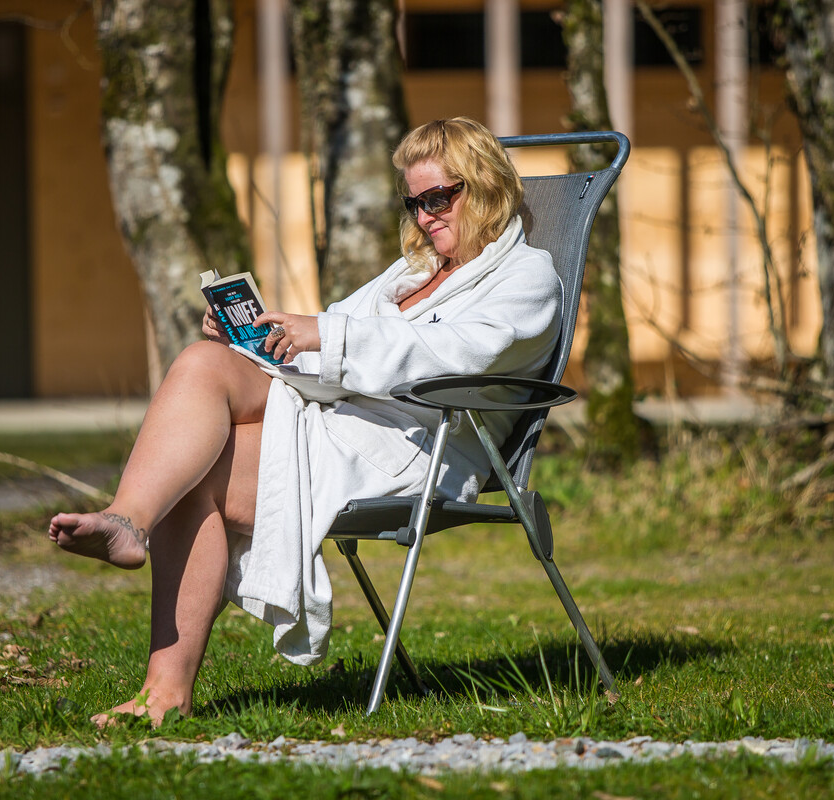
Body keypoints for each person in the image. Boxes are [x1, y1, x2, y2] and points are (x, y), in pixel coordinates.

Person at [47, 117, 563, 726]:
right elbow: (338, 333)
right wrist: (261, 338)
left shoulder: (527, 279)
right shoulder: (416, 274)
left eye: (437, 198)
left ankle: (165, 692)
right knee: (203, 361)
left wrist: (325, 333)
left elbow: (450, 357)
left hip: (417, 446)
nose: (424, 217)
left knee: (200, 478)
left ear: (484, 187)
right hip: (343, 416)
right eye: (413, 202)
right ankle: (126, 519)